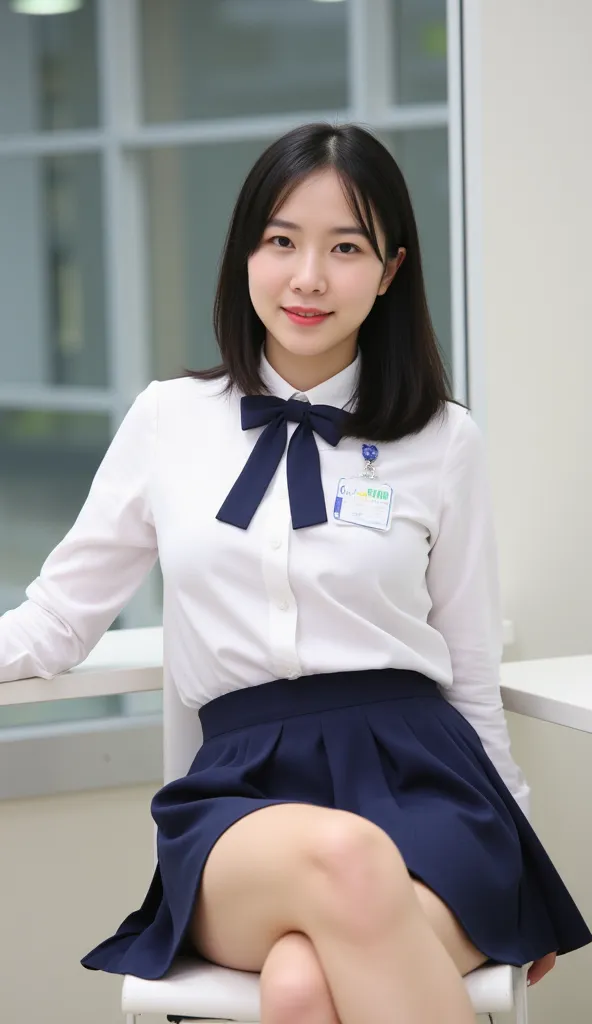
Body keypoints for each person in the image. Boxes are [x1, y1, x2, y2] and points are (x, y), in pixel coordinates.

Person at [1, 122, 590, 1024]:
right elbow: (57, 620)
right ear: (245, 254)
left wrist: (519, 843)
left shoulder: (443, 440)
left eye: (345, 247)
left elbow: (469, 670)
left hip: (428, 782)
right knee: (346, 859)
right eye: (282, 241)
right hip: (239, 797)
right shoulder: (170, 421)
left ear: (390, 270)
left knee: (301, 986)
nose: (308, 277)